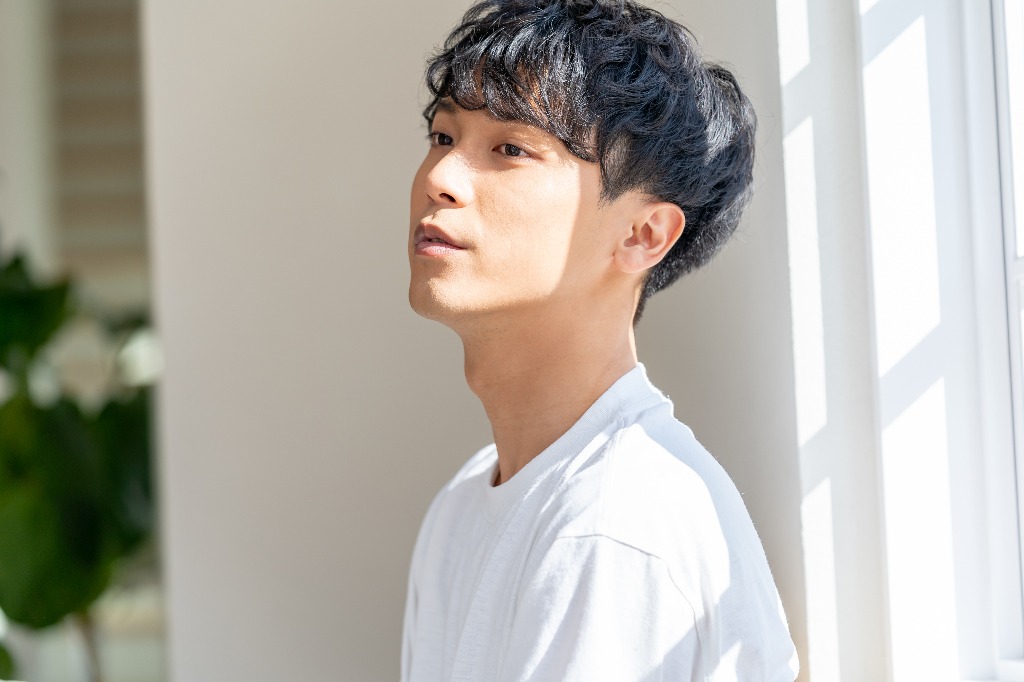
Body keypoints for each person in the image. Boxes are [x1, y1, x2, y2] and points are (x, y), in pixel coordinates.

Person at [402, 0, 799, 679]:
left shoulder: (616, 524)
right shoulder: (464, 504)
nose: (439, 179)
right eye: (442, 136)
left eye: (510, 149)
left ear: (642, 234)